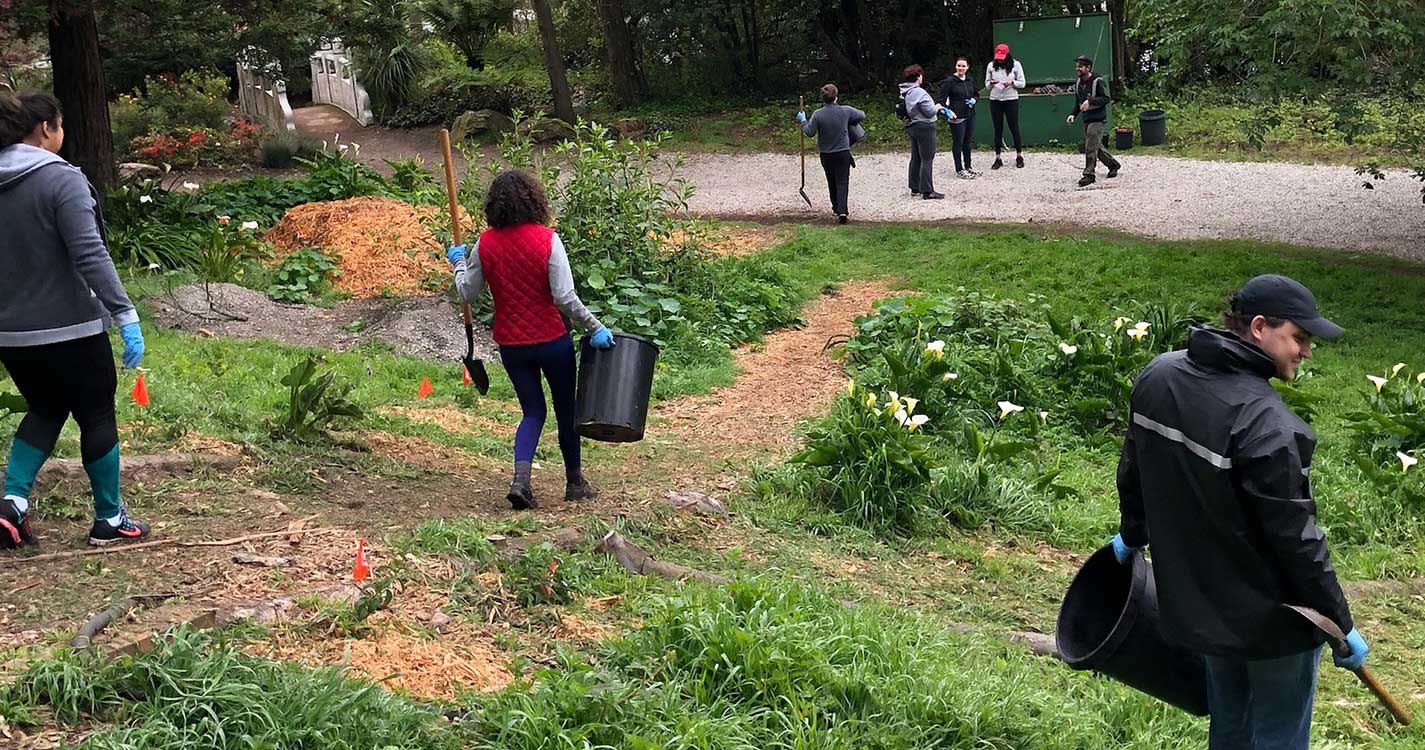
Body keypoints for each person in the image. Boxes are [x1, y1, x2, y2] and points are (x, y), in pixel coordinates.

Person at [1112, 274, 1365, 750]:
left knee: (1229, 727)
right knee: (1278, 734)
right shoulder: (1267, 425)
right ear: (1257, 328)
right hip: (1275, 624)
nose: (1306, 352)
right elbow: (1297, 542)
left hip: (1202, 606)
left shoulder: (1160, 375)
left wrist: (1132, 531)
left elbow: (1135, 465)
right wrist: (1340, 624)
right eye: (1299, 338)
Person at [0, 92, 150, 549]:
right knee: (96, 414)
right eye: (60, 126)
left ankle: (12, 504)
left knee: (45, 408)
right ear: (46, 128)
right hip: (72, 328)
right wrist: (124, 314)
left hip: (10, 333)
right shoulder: (61, 180)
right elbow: (89, 253)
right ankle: (110, 519)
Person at [446, 170, 615, 510]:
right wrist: (594, 327)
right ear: (534, 200)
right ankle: (574, 482)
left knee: (532, 412)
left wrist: (459, 262)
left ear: (495, 205)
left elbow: (466, 291)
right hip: (553, 341)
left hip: (512, 345)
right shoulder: (548, 239)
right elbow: (565, 297)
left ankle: (521, 481)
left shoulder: (485, 243)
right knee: (566, 411)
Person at [796, 83, 865, 224]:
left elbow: (809, 132)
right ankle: (843, 211)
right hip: (843, 153)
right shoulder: (845, 111)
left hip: (826, 154)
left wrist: (803, 121)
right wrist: (850, 122)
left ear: (822, 99)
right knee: (842, 182)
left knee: (831, 181)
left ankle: (835, 208)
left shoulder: (817, 114)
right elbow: (862, 115)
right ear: (836, 97)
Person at [1065, 55, 1120, 187]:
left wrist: (1090, 101)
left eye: (1080, 66)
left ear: (1088, 68)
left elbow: (1106, 99)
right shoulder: (1078, 82)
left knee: (1090, 146)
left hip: (1098, 119)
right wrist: (1073, 114)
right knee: (1096, 147)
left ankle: (1089, 174)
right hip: (1086, 119)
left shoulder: (1098, 81)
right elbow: (1078, 102)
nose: (1077, 68)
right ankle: (1113, 165)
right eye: (1077, 66)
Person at [898, 65, 944, 200]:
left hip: (912, 125)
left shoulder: (905, 91)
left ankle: (915, 187)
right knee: (927, 158)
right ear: (918, 77)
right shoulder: (919, 92)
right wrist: (937, 106)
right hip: (925, 126)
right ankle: (927, 190)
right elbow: (929, 111)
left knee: (916, 157)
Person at [937, 56, 980, 179]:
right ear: (956, 67)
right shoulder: (950, 81)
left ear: (967, 67)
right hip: (957, 116)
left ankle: (968, 166)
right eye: (958, 65)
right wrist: (947, 111)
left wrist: (974, 100)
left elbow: (976, 94)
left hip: (970, 115)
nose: (961, 68)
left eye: (963, 66)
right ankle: (959, 169)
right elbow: (941, 100)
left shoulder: (970, 80)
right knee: (958, 142)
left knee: (967, 141)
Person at [985, 44, 1026, 169]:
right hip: (995, 100)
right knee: (998, 129)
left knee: (1014, 127)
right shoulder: (991, 66)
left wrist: (1012, 82)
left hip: (1011, 99)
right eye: (998, 57)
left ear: (1007, 55)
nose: (1000, 60)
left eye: (1002, 57)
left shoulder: (1016, 65)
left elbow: (1023, 83)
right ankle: (998, 158)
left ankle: (1019, 156)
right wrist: (991, 83)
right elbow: (986, 85)